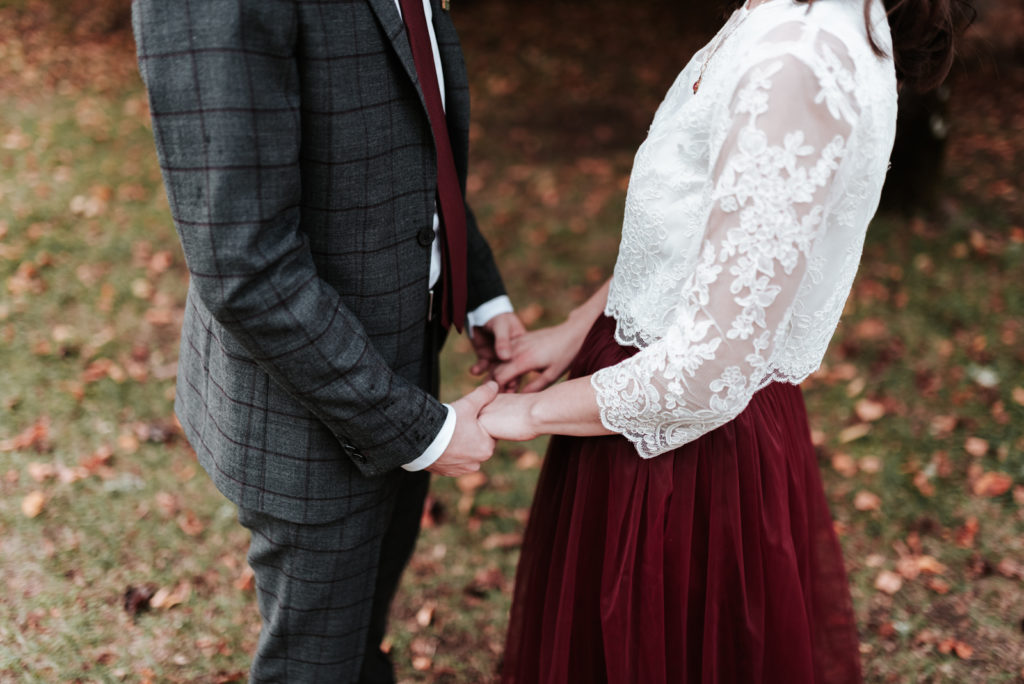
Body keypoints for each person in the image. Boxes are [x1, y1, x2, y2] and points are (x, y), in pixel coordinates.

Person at [481, 0, 974, 681]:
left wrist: (528, 414)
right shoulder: (787, 18)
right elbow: (707, 238)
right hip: (646, 411)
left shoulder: (799, 61)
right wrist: (579, 329)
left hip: (684, 465)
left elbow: (709, 372)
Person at [131, 0, 524, 680]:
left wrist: (475, 283)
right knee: (315, 664)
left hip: (407, 345)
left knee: (360, 634)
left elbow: (410, 124)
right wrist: (417, 431)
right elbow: (244, 264)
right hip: (304, 407)